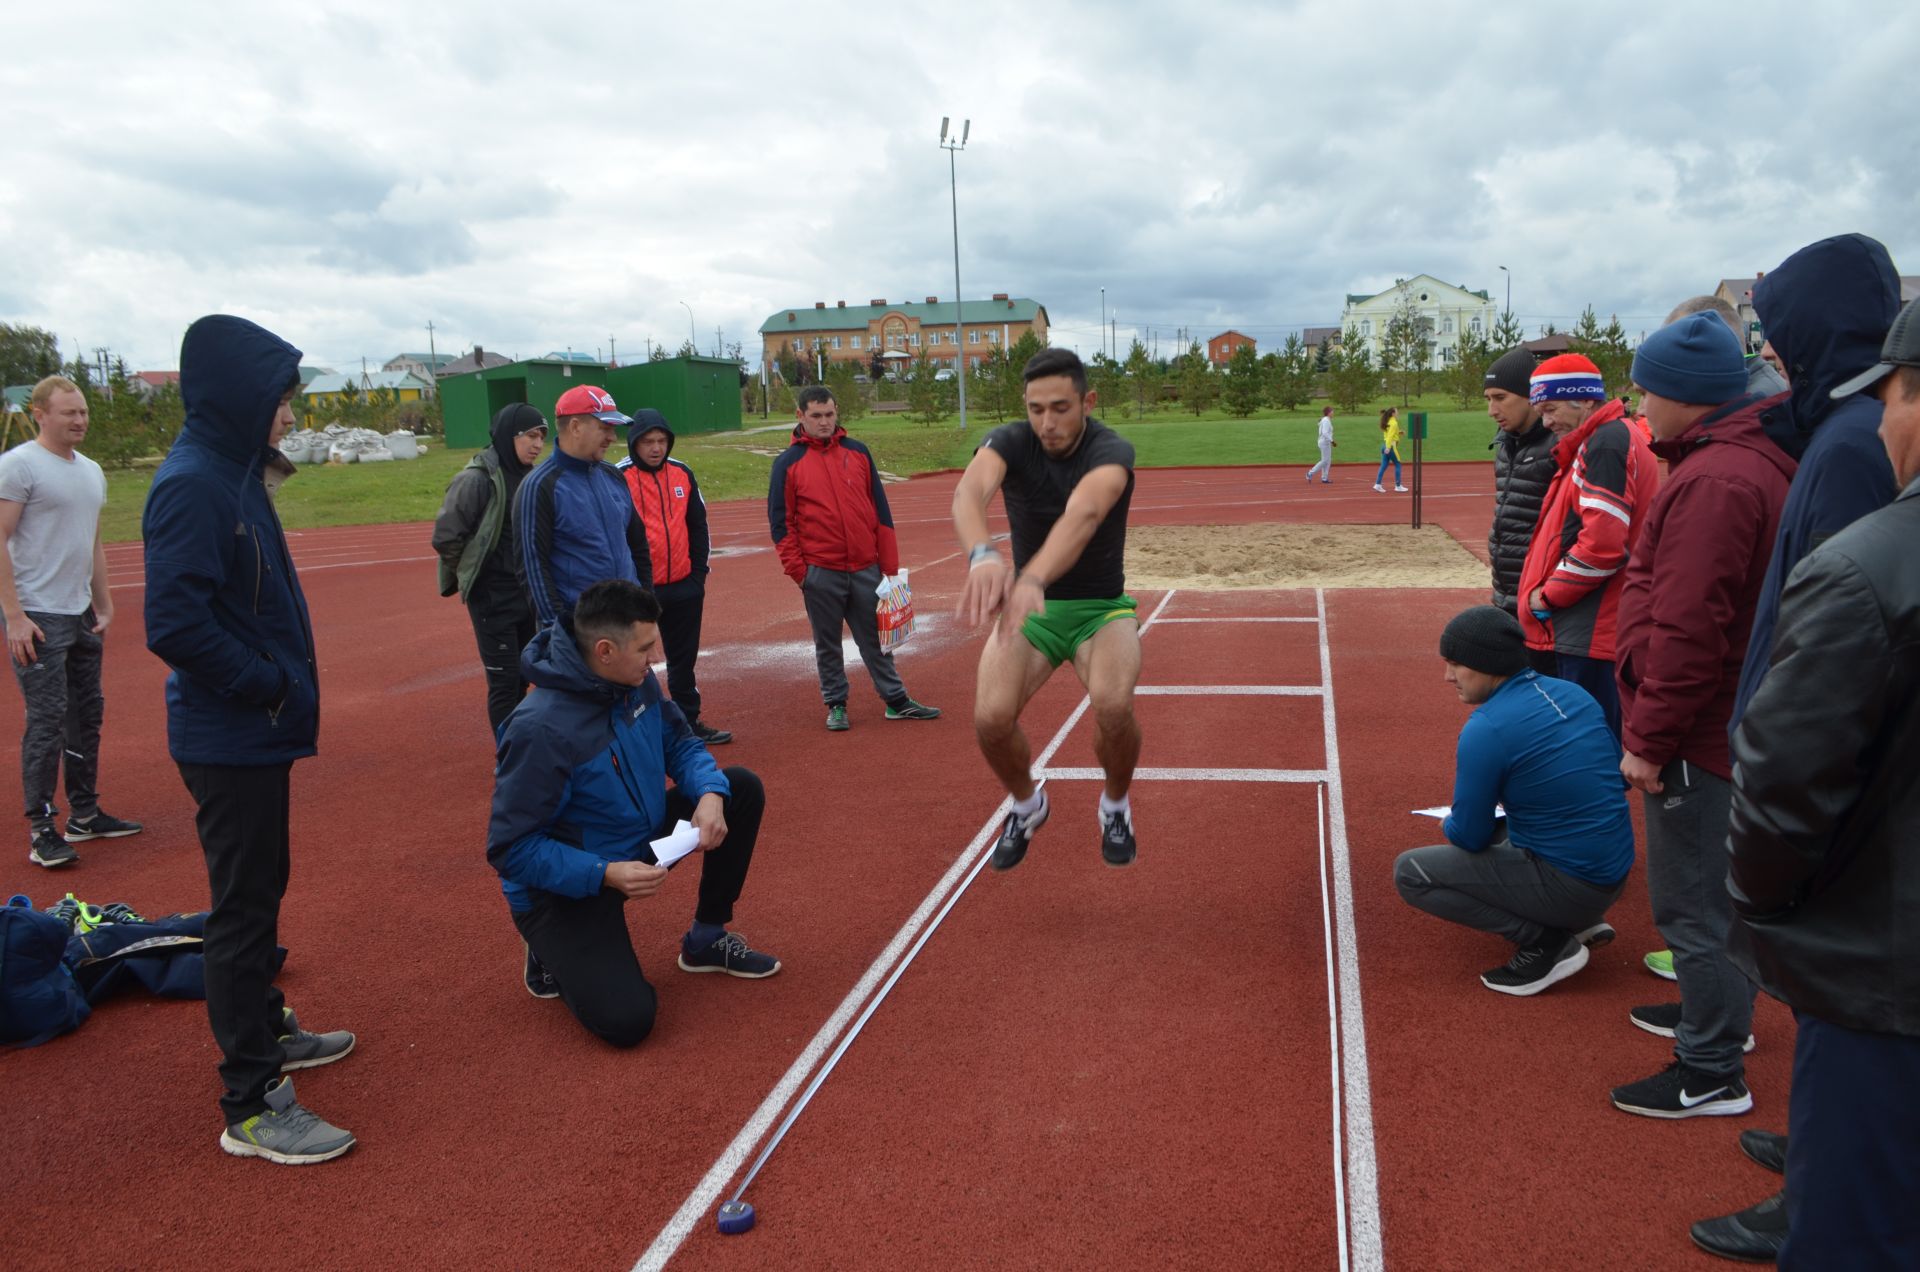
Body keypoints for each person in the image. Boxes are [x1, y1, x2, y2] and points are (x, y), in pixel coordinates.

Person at [1684, 236, 1903, 1264]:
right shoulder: (1843, 429)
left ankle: (1816, 1199)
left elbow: (1845, 645)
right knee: (1827, 1029)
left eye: (1776, 328)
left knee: (1838, 996)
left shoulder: (1858, 444)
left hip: (1835, 797)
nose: (1765, 348)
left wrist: (1770, 858)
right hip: (1823, 774)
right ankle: (1813, 1149)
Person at [143, 315, 356, 1165]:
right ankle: (253, 1102)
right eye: (281, 400)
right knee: (242, 911)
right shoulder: (194, 484)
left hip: (251, 731)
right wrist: (266, 682)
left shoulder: (232, 473)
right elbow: (174, 621)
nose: (291, 416)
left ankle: (268, 1029)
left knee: (263, 888)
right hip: (229, 732)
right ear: (241, 395)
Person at [1607, 313, 1793, 1121]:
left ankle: (1711, 1067)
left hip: (1699, 733)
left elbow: (1689, 627)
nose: (1642, 401)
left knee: (1692, 904)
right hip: (1723, 723)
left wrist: (1647, 742)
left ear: (1685, 395)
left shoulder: (1717, 480)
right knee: (1710, 899)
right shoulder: (1736, 461)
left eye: (1650, 386)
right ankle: (1718, 1021)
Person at [486, 579, 778, 1046]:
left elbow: (680, 742)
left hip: (633, 845)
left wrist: (707, 792)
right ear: (604, 650)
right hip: (565, 886)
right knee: (628, 1022)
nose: (653, 659)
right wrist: (604, 873)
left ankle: (705, 939)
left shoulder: (634, 681)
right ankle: (547, 953)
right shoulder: (540, 729)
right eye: (645, 649)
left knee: (737, 787)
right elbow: (511, 848)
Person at [952, 347, 1142, 870]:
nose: (1047, 422)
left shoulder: (1111, 451)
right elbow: (969, 493)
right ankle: (1027, 805)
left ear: (1088, 401)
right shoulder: (1010, 441)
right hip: (1031, 612)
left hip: (1100, 610)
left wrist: (1033, 574)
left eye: (1060, 407)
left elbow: (1083, 513)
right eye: (1036, 409)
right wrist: (983, 554)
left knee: (1112, 705)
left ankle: (1115, 805)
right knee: (990, 719)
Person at [1393, 606, 1632, 995]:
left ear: (1488, 664)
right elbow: (1609, 778)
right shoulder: (1574, 694)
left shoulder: (1487, 728)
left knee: (1411, 872)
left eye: (1456, 664)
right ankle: (1583, 920)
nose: (1447, 676)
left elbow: (1468, 836)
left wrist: (1450, 824)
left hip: (1574, 886)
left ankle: (1547, 942)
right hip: (1612, 873)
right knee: (1517, 819)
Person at [0, 376, 141, 868]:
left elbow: (92, 541)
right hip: (37, 615)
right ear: (40, 413)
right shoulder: (17, 467)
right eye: (68, 413)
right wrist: (14, 615)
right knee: (47, 722)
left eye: (82, 411)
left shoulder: (92, 471)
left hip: (79, 611)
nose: (79, 420)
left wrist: (102, 602)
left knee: (87, 715)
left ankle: (85, 814)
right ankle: (41, 830)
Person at [768, 386, 939, 730]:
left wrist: (888, 569)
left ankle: (895, 700)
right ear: (800, 416)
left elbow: (881, 512)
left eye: (829, 415)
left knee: (877, 640)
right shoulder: (788, 463)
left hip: (865, 568)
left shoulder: (858, 453)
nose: (824, 422)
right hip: (821, 572)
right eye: (816, 416)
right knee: (827, 643)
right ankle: (836, 705)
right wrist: (802, 574)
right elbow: (781, 524)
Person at [1513, 353, 1657, 742]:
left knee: (1583, 751)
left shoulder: (1606, 442)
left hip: (1589, 632)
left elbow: (1604, 543)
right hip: (1584, 630)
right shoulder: (1602, 438)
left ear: (1586, 399)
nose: (1546, 422)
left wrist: (1548, 597)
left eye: (1552, 408)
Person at [615, 409, 730, 745]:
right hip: (638, 591)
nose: (655, 448)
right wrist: (629, 585)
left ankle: (687, 722)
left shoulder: (682, 474)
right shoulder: (617, 477)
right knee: (632, 660)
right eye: (648, 441)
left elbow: (698, 525)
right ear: (634, 443)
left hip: (684, 585)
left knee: (683, 659)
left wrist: (698, 576)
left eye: (661, 440)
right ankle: (633, 729)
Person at [431, 402, 546, 733]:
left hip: (527, 595)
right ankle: (510, 759)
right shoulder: (476, 479)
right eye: (530, 436)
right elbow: (447, 536)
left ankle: (523, 747)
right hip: (493, 599)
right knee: (504, 683)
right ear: (509, 436)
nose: (537, 444)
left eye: (541, 437)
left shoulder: (533, 476)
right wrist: (477, 574)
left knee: (527, 674)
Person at [516, 384, 651, 630]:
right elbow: (534, 569)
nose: (612, 437)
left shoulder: (614, 476)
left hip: (628, 624)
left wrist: (647, 612)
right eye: (605, 428)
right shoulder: (539, 486)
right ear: (576, 427)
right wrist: (559, 634)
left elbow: (638, 545)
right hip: (581, 633)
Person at [1484, 348, 1558, 677]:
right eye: (1488, 399)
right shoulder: (1505, 446)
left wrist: (1547, 595)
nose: (1491, 410)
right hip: (1507, 598)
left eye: (1500, 397)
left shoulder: (1559, 445)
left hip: (1544, 609)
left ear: (1532, 396)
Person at [1372, 406, 1406, 492]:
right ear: (1393, 414)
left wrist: (1399, 432)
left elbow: (1390, 433)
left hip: (1384, 445)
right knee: (1398, 464)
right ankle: (1398, 486)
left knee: (1383, 465)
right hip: (1390, 446)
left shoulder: (1388, 421)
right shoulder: (1394, 423)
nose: (1398, 413)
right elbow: (1390, 435)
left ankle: (1377, 484)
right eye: (1397, 412)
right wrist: (1388, 447)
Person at [1306, 406, 1335, 483]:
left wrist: (1320, 420)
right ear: (1329, 412)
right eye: (1332, 411)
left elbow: (1319, 424)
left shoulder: (1325, 419)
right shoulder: (1326, 420)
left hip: (1325, 442)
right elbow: (1325, 432)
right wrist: (1332, 441)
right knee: (1325, 460)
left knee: (1328, 461)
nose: (1333, 413)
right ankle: (1310, 473)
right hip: (1324, 442)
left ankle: (1324, 478)